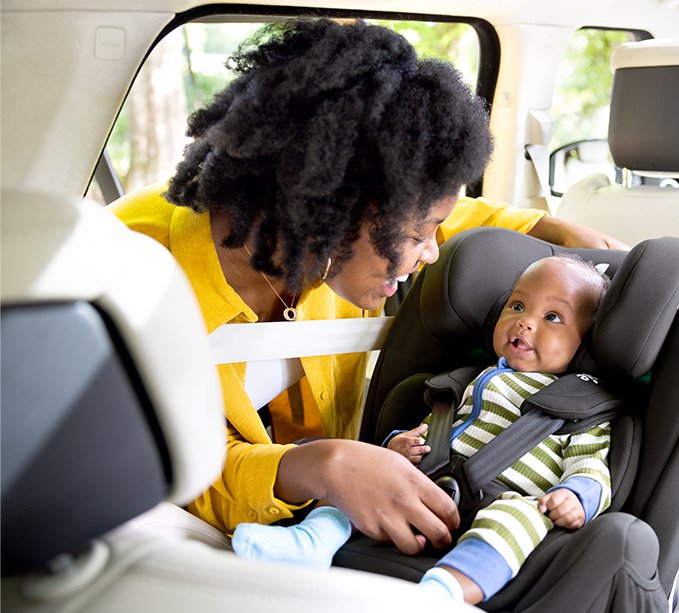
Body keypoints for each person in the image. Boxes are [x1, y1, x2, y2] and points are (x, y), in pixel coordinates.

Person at [109, 17, 625, 552]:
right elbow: (162, 462)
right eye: (422, 233)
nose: (431, 251)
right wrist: (322, 467)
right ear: (334, 207)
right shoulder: (129, 271)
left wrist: (547, 227)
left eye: (434, 230)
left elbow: (446, 211)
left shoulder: (337, 229)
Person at [231, 255, 614, 605]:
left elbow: (591, 465)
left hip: (506, 497)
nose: (525, 321)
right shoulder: (468, 380)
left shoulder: (578, 404)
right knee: (361, 479)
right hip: (431, 482)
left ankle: (443, 593)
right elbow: (430, 432)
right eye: (517, 305)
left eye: (553, 317)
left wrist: (575, 495)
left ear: (584, 342)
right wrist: (397, 447)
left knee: (520, 521)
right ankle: (310, 542)